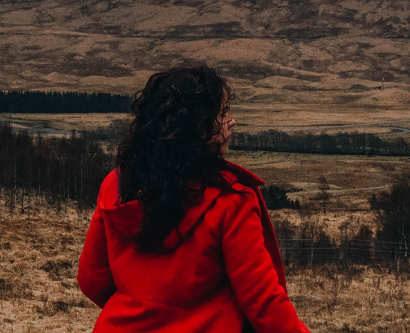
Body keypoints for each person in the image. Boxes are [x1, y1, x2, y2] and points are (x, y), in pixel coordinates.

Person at [78, 66, 310, 333]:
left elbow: (91, 278)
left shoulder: (116, 184)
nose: (231, 121)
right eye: (222, 115)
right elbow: (263, 301)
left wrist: (143, 311)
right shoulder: (230, 201)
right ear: (198, 128)